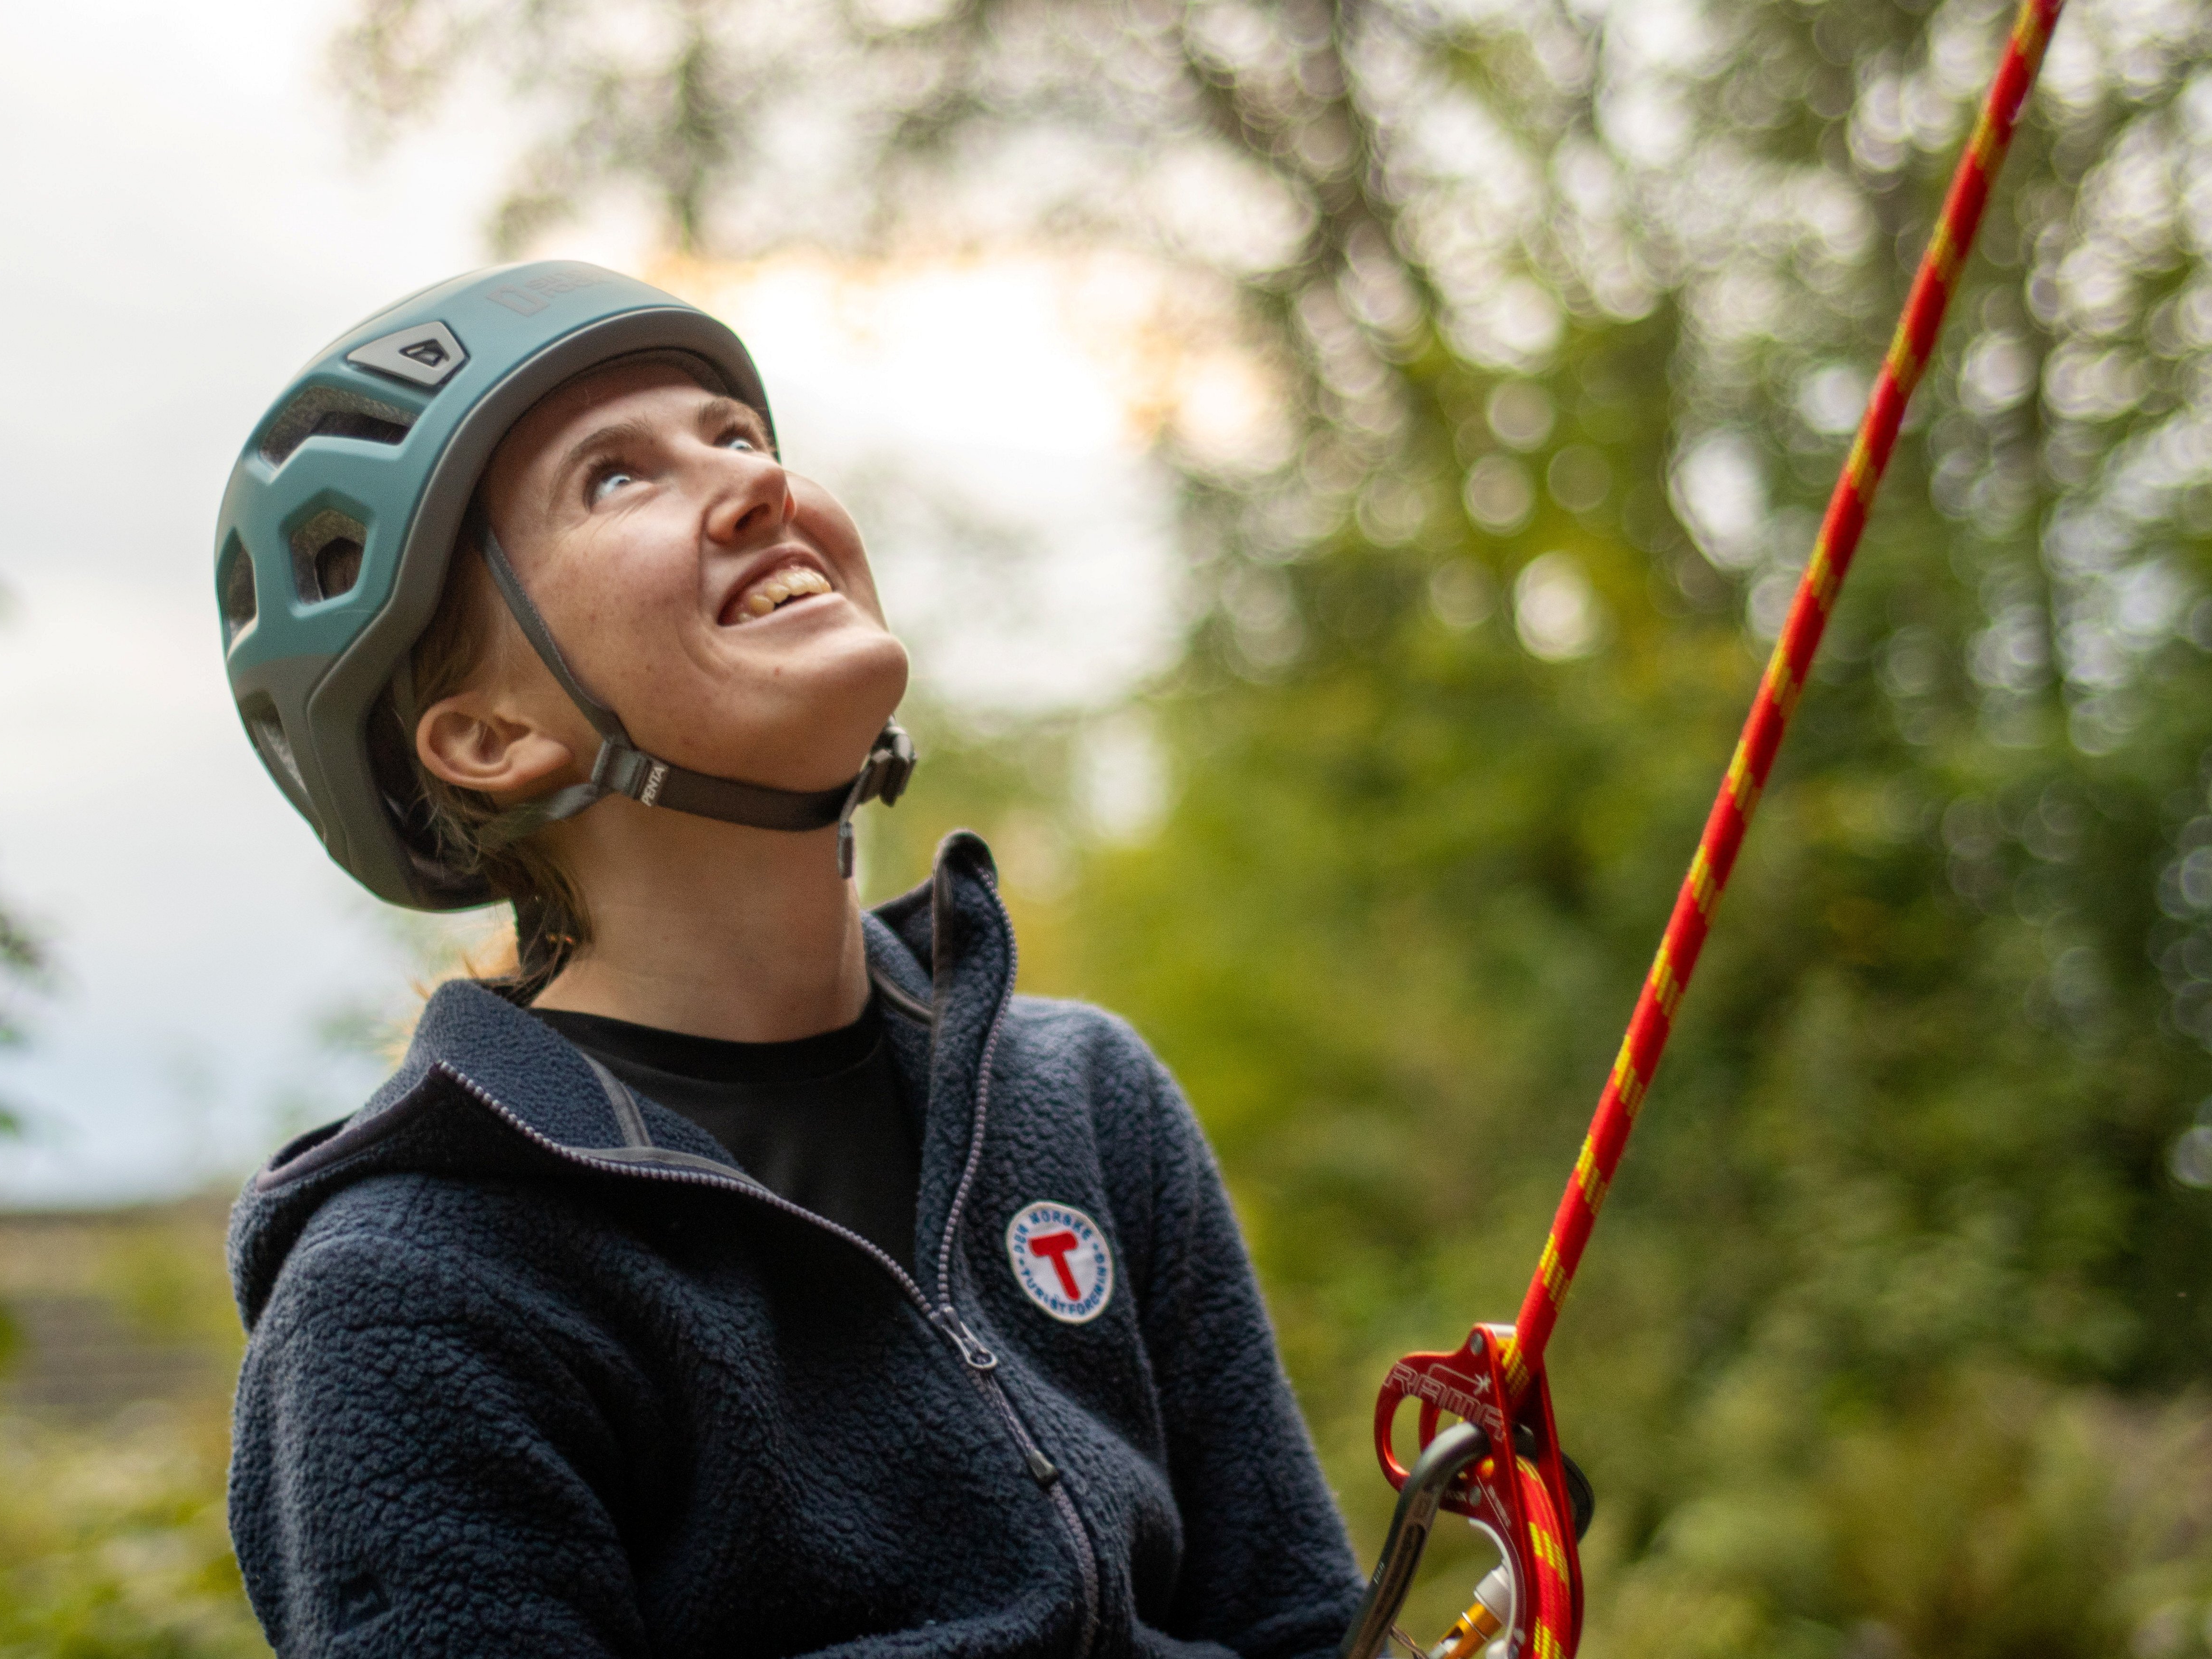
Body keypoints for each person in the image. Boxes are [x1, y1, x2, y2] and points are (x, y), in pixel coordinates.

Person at [214, 262, 1366, 1657]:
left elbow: (1299, 1622)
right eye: (616, 480)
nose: (756, 485)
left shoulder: (1079, 1104)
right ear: (489, 739)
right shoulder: (418, 1296)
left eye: (738, 436)